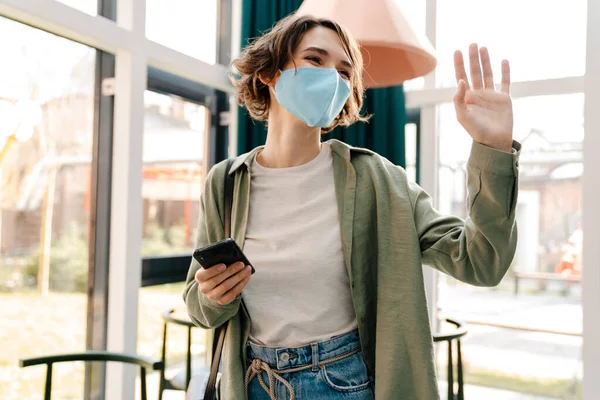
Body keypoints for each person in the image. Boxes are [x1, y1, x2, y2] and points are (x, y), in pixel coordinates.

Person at [184, 12, 520, 400]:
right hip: (254, 383)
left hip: (345, 385)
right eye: (314, 59)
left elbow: (482, 260)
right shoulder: (225, 183)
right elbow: (198, 306)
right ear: (269, 73)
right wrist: (213, 295)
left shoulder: (378, 179)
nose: (332, 78)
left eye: (345, 72)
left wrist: (492, 149)